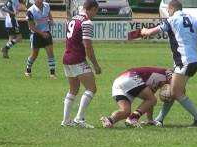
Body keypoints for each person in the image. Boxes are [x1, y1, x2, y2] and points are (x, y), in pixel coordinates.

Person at [140, 0, 197, 128]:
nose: (168, 13)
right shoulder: (192, 17)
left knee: (175, 92)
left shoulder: (171, 20)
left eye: (168, 11)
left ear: (171, 9)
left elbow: (150, 32)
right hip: (194, 60)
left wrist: (143, 31)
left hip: (184, 62)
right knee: (173, 89)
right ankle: (159, 120)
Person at [61, 0, 101, 128]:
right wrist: (95, 65)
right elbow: (88, 46)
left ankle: (66, 121)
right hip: (77, 59)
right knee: (91, 88)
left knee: (73, 89)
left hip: (66, 57)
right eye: (96, 11)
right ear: (92, 8)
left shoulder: (73, 19)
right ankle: (79, 118)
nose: (95, 14)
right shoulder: (86, 22)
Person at [100, 67, 172, 128]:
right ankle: (132, 118)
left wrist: (150, 120)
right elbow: (151, 99)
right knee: (152, 99)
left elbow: (149, 101)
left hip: (118, 82)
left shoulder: (163, 77)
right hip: (131, 77)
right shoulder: (169, 75)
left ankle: (109, 120)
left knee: (125, 111)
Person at [24, 0, 56, 79]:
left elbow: (49, 16)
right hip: (36, 34)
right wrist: (42, 34)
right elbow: (31, 26)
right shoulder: (30, 11)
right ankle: (28, 71)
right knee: (35, 54)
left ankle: (52, 74)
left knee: (50, 54)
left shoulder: (46, 6)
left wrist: (51, 21)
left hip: (46, 32)